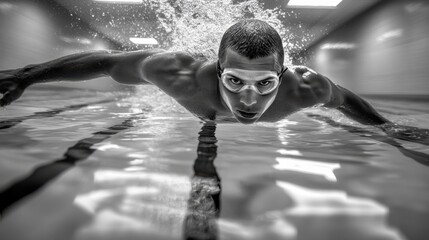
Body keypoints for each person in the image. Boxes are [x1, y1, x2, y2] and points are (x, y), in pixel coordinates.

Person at [0, 19, 390, 125]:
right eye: (235, 80)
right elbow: (106, 61)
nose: (249, 100)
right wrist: (27, 75)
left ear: (283, 74)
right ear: (218, 70)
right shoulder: (177, 73)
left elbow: (345, 99)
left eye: (266, 83)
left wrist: (387, 128)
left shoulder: (305, 88)